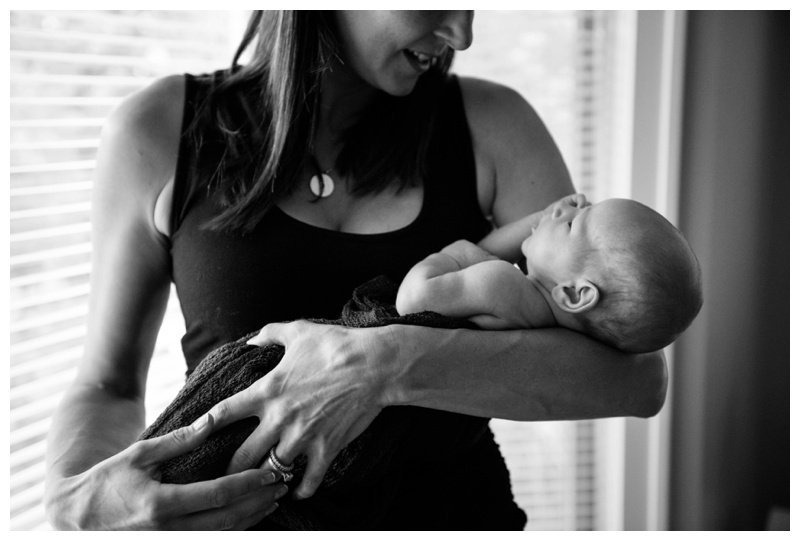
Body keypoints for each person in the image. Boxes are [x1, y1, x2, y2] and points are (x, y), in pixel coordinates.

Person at [44, 11, 668, 530]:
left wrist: (382, 365)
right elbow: (108, 384)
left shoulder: (493, 124)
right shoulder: (157, 130)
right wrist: (71, 498)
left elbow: (633, 377)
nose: (461, 33)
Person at [396, 195, 703, 353]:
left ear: (574, 293)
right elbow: (488, 253)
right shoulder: (538, 315)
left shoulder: (502, 284)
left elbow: (412, 300)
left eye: (572, 225)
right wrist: (546, 218)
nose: (559, 212)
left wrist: (454, 254)